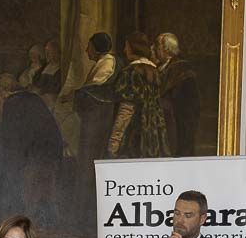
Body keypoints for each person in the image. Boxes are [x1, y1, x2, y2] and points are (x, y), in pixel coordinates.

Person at [0, 73, 64, 222]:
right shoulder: (34, 98)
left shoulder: (11, 103)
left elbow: (11, 139)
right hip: (53, 150)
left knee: (5, 168)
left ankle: (23, 214)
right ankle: (51, 216)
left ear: (3, 89)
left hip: (35, 155)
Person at [107, 31, 170, 159]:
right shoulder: (155, 71)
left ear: (134, 48)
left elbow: (126, 111)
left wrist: (114, 143)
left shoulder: (130, 73)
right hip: (154, 134)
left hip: (134, 135)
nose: (125, 50)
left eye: (127, 46)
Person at [73, 32, 117, 199]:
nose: (86, 50)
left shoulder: (107, 63)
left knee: (89, 162)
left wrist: (76, 95)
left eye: (89, 47)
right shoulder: (101, 62)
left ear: (97, 49)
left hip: (97, 121)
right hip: (93, 120)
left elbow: (94, 91)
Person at [153, 32, 201, 156]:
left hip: (179, 119)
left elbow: (189, 101)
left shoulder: (183, 69)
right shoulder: (160, 66)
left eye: (157, 47)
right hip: (164, 118)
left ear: (165, 49)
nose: (155, 50)